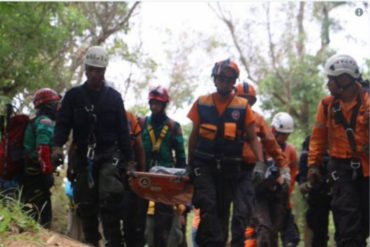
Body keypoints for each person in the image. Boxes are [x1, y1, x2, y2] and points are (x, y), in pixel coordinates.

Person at [53, 45, 134, 247]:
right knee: (86, 203)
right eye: (91, 70)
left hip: (109, 155)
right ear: (86, 69)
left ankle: (114, 242)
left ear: (104, 71)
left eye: (99, 70)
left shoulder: (114, 98)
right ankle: (91, 242)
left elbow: (124, 132)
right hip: (84, 157)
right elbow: (63, 125)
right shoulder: (73, 97)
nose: (95, 74)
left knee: (109, 198)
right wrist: (56, 147)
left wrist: (130, 160)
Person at [187, 59, 265, 247]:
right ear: (215, 79)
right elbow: (194, 135)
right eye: (221, 78)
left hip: (229, 168)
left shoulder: (242, 107)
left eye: (229, 79)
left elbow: (253, 138)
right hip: (203, 165)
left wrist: (261, 163)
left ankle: (220, 243)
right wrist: (189, 164)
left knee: (223, 210)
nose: (224, 82)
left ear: (234, 82)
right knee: (208, 206)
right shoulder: (202, 102)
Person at [308, 54, 369, 247]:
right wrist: (313, 166)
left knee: (365, 219)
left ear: (344, 79)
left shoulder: (367, 102)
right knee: (346, 217)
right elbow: (318, 138)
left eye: (331, 80)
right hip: (340, 168)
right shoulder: (327, 105)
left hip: (367, 168)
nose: (328, 85)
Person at [233, 82, 289, 247]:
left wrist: (284, 169)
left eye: (248, 100)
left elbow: (272, 145)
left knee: (241, 215)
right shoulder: (224, 115)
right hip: (225, 169)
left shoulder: (258, 120)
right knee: (217, 214)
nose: (245, 102)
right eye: (241, 98)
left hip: (249, 173)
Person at [139, 86, 187, 247]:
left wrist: (181, 185)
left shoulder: (174, 127)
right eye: (152, 103)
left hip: (164, 180)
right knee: (139, 220)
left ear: (164, 105)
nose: (154, 107)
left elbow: (181, 157)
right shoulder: (142, 123)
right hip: (144, 177)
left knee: (163, 223)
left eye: (158, 104)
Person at [21, 88, 61, 229]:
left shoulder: (37, 120)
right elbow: (42, 150)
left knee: (29, 210)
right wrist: (47, 173)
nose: (58, 107)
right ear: (48, 105)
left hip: (30, 173)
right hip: (36, 175)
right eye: (56, 104)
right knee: (42, 216)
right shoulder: (45, 122)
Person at [270, 112, 300, 247]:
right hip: (266, 201)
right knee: (267, 236)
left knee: (291, 239)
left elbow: (293, 174)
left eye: (287, 134)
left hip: (283, 202)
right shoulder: (264, 147)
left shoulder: (291, 151)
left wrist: (287, 191)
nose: (285, 137)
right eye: (283, 134)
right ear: (274, 131)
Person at [298, 135, 333, 247]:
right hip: (317, 195)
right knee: (318, 234)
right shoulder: (307, 150)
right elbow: (302, 185)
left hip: (337, 191)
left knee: (346, 230)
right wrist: (308, 182)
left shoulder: (339, 142)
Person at [122, 111, 147, 247]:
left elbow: (139, 147)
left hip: (132, 177)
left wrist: (141, 172)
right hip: (121, 173)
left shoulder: (129, 118)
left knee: (132, 218)